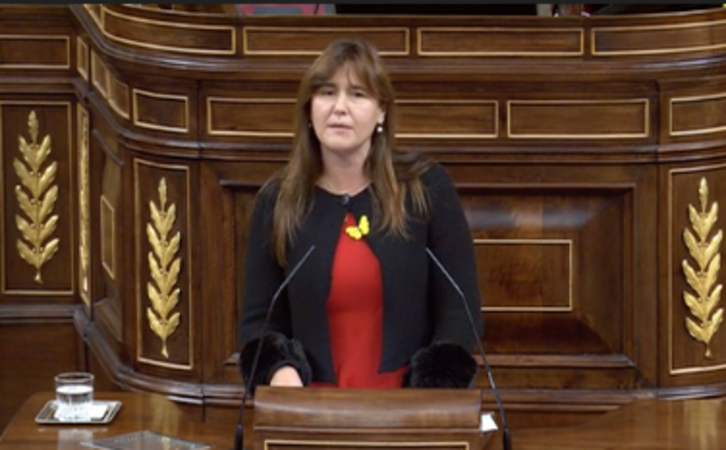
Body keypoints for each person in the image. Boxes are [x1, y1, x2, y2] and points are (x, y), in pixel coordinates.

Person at [238, 37, 484, 392]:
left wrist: (431, 397)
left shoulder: (425, 189)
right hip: (311, 412)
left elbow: (460, 313)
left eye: (357, 94)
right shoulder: (277, 200)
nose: (340, 108)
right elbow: (258, 322)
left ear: (382, 110)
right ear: (309, 108)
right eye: (326, 92)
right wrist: (280, 374)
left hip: (405, 412)